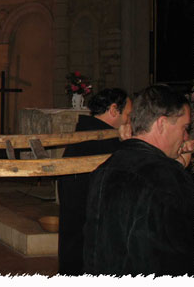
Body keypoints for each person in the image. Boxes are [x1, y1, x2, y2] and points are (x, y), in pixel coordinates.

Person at [83, 84, 194, 276]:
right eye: (184, 128)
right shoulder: (170, 179)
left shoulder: (105, 168)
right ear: (161, 124)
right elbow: (184, 256)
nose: (185, 136)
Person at [57, 88, 132, 275]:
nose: (130, 120)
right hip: (91, 243)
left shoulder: (86, 133)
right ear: (114, 110)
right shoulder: (104, 143)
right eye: (129, 115)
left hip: (76, 238)